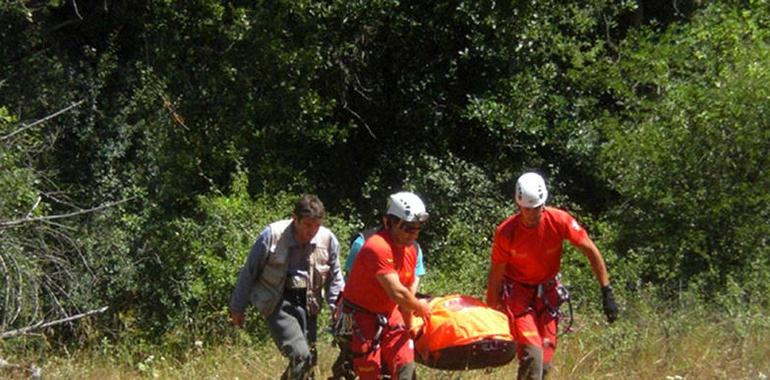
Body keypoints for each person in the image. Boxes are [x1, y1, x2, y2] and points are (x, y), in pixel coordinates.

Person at [485, 172, 619, 380]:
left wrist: (606, 291)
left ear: (544, 204)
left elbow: (591, 251)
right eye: (526, 209)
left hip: (547, 295)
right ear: (518, 205)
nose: (531, 214)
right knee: (533, 356)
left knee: (545, 364)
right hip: (518, 296)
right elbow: (495, 278)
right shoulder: (506, 232)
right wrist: (491, 320)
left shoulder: (559, 221)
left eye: (536, 208)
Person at [229, 194, 344, 380]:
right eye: (307, 225)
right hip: (277, 301)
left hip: (309, 302)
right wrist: (237, 307)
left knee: (309, 363)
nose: (312, 231)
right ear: (294, 218)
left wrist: (339, 307)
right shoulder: (272, 235)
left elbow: (336, 278)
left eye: (316, 226)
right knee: (301, 357)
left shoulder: (328, 239)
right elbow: (249, 271)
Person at [340, 191, 433, 380]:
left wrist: (410, 331)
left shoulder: (411, 250)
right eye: (408, 228)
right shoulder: (377, 246)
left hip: (389, 314)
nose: (413, 234)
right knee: (366, 369)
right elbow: (397, 292)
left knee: (405, 365)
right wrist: (421, 307)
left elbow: (405, 296)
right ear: (389, 222)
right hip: (354, 315)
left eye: (417, 228)